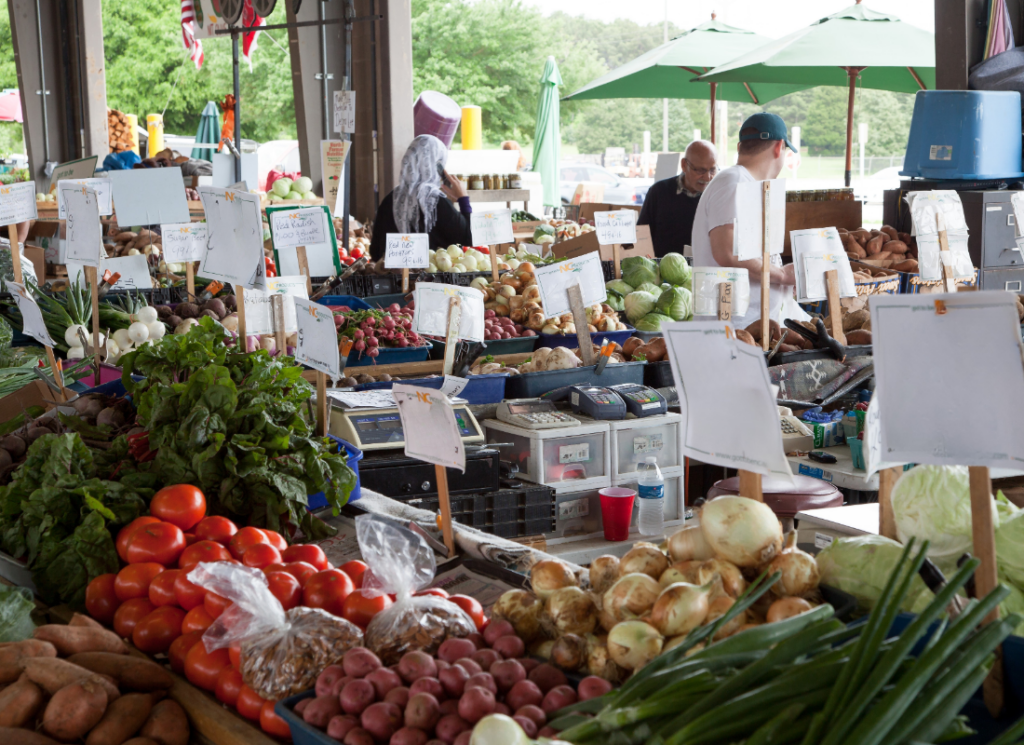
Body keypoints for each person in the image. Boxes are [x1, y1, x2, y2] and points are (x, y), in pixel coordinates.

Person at [691, 113, 797, 327]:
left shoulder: (745, 183)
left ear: (740, 146)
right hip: (734, 331)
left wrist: (782, 279)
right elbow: (727, 252)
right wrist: (782, 276)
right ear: (779, 148)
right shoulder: (733, 181)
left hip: (749, 328)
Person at [369, 135, 473, 261]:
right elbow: (468, 237)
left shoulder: (390, 199)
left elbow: (375, 251)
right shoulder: (434, 200)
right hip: (429, 278)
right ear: (437, 166)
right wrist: (463, 199)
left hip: (393, 278)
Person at [637, 140, 717, 256]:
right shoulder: (659, 192)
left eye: (712, 170)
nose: (707, 177)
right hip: (661, 269)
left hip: (702, 269)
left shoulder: (716, 196)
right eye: (701, 170)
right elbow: (642, 235)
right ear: (684, 165)